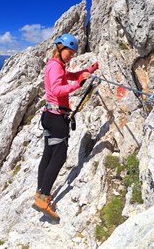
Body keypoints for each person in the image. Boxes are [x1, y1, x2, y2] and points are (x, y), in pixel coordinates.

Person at [32, 33, 99, 221]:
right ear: (60, 48)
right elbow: (56, 90)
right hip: (56, 118)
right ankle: (43, 197)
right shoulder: (55, 66)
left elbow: (70, 75)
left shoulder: (57, 66)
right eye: (69, 52)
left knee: (48, 154)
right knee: (59, 156)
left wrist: (90, 70)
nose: (71, 56)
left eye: (73, 53)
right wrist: (78, 84)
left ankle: (40, 193)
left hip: (49, 116)